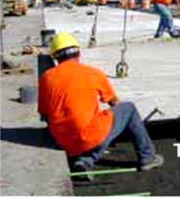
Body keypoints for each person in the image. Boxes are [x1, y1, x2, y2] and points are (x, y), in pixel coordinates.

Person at [38, 32, 164, 180]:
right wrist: (116, 129)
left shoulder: (46, 77)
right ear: (78, 53)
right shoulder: (93, 74)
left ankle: (84, 161)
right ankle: (147, 157)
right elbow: (114, 103)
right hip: (88, 137)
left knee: (89, 132)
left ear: (55, 57)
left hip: (63, 141)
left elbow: (44, 114)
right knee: (128, 109)